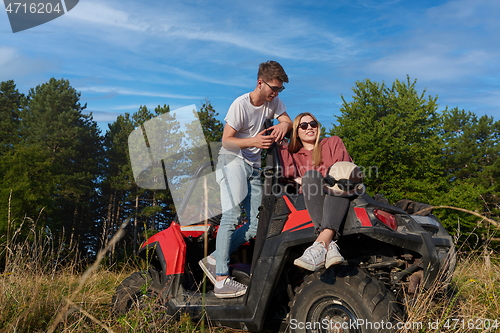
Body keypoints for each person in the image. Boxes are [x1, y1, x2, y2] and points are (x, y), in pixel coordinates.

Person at [199, 61, 293, 298]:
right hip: (232, 160)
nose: (276, 93)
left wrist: (284, 125)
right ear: (260, 82)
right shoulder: (240, 105)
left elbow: (288, 121)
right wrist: (253, 142)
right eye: (273, 87)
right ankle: (221, 279)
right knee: (231, 216)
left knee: (256, 224)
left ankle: (213, 259)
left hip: (253, 166)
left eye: (280, 89)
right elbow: (226, 140)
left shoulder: (274, 101)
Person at [279, 112, 361, 271]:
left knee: (334, 179)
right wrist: (281, 140)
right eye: (303, 125)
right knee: (311, 176)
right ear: (297, 132)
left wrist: (316, 180)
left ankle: (320, 244)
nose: (309, 127)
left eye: (313, 124)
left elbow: (343, 169)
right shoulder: (294, 154)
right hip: (313, 197)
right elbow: (286, 173)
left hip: (341, 191)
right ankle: (330, 246)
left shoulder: (332, 142)